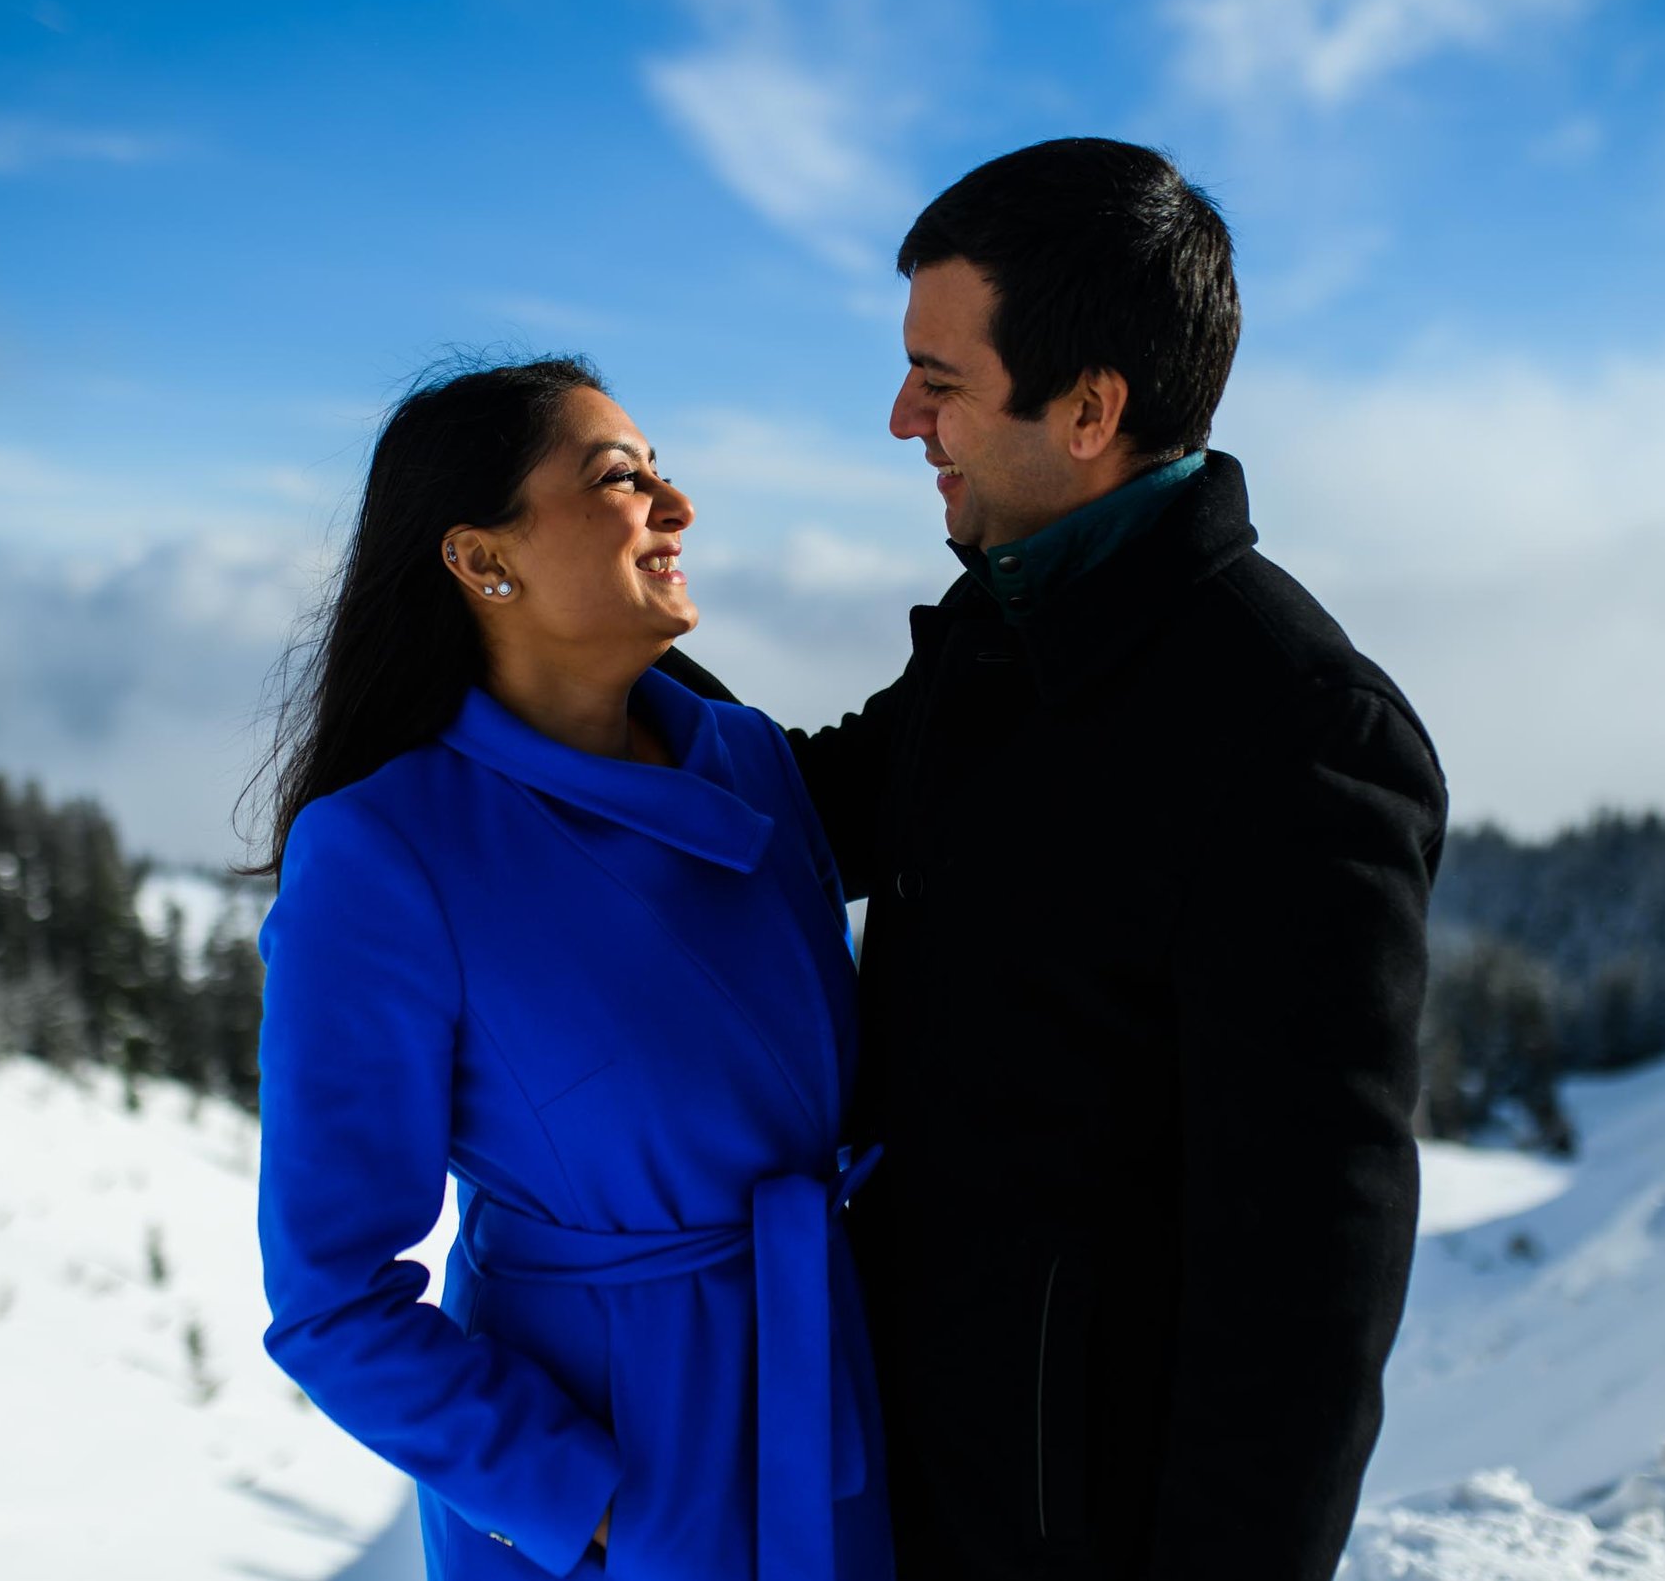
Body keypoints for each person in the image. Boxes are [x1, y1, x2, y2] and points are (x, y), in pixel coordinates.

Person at [662, 137, 1449, 1579]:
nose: (903, 416)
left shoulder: (1295, 731)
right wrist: (585, 656)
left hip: (1072, 1527)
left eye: (940, 381)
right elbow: (794, 809)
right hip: (902, 1465)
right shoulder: (1009, 625)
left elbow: (1305, 1288)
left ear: (1089, 408)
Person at [247, 357, 893, 1581]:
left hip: (835, 1414)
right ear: (483, 558)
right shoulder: (386, 850)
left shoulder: (746, 761)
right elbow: (330, 1300)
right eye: (619, 476)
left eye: (660, 469)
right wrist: (600, 1506)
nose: (675, 503)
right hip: (620, 1489)